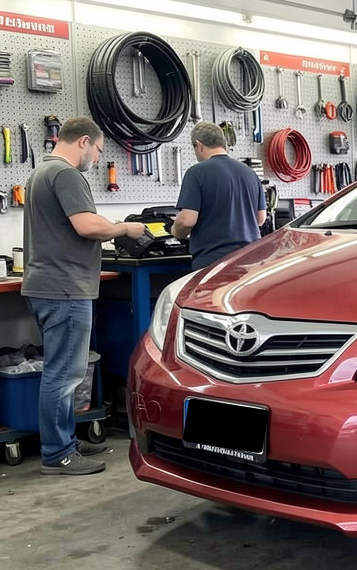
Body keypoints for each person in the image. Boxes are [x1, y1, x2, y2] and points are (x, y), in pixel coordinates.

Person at [21, 117, 148, 475]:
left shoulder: (42, 173)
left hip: (48, 285)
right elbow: (87, 225)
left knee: (60, 370)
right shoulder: (66, 174)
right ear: (83, 142)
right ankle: (57, 453)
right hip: (64, 288)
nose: (97, 156)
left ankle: (64, 441)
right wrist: (125, 227)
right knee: (64, 374)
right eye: (98, 149)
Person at [171, 122, 267, 270]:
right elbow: (260, 219)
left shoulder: (196, 173)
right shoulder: (250, 173)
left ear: (198, 144)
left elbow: (186, 221)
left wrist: (175, 230)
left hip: (213, 264)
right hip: (250, 261)